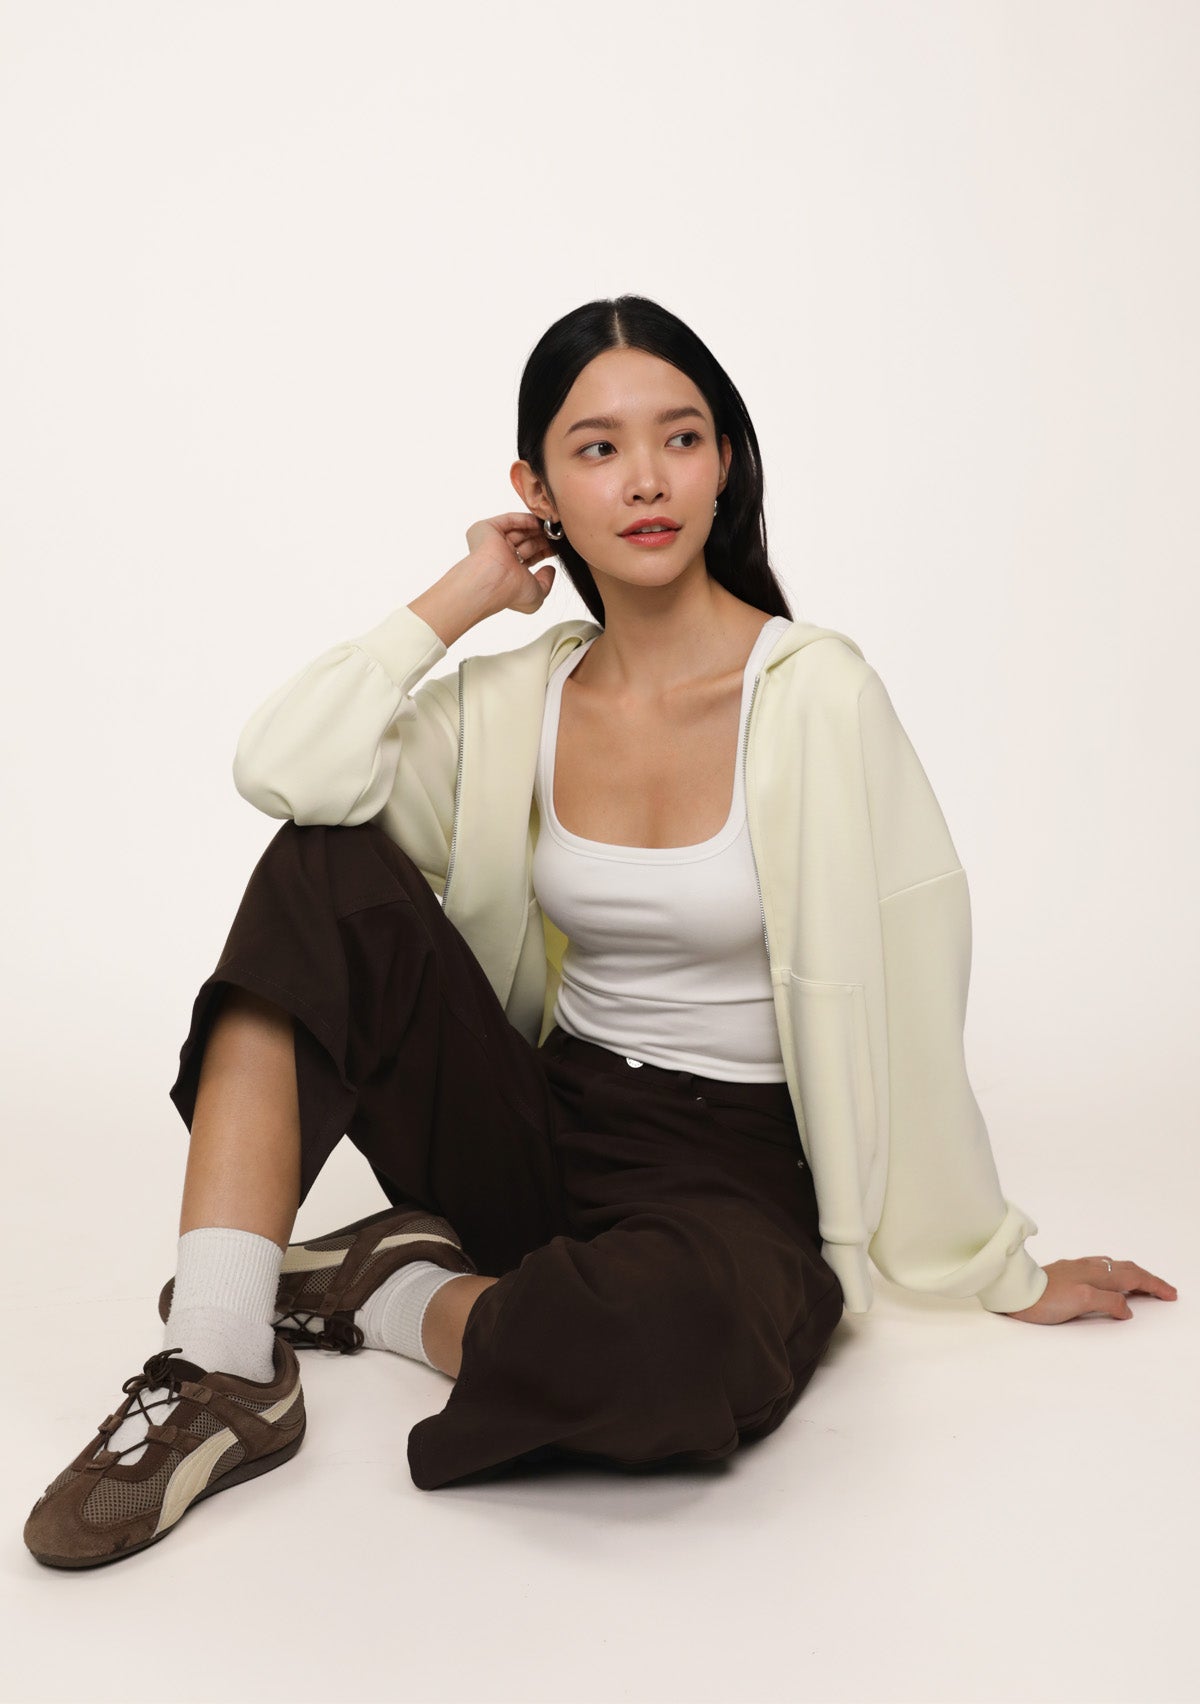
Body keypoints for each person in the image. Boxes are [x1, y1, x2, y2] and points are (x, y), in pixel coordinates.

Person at [24, 294, 1177, 1569]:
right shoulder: (514, 699)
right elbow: (285, 769)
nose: (645, 479)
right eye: (597, 448)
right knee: (322, 866)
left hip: (733, 1173)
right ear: (539, 490)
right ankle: (219, 1364)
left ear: (724, 463)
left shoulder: (816, 698)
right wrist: (461, 597)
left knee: (672, 1354)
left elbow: (914, 989)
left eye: (681, 438)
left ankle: (392, 1290)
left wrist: (999, 1266)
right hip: (538, 1120)